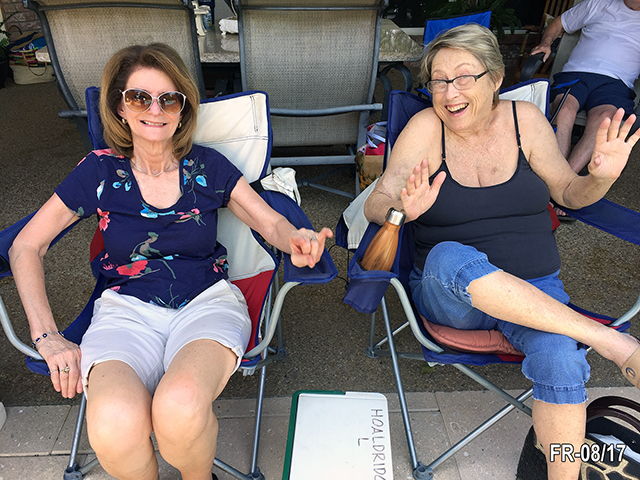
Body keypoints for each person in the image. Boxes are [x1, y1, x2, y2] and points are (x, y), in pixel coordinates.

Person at [9, 43, 332, 480]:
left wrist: (296, 238)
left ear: (183, 109)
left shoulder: (207, 166)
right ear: (119, 107)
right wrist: (47, 336)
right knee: (113, 423)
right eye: (139, 97)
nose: (155, 109)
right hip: (124, 311)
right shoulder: (99, 171)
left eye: (169, 99)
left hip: (207, 304)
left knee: (178, 407)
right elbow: (26, 246)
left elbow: (269, 222)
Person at [364, 24, 640, 480]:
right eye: (438, 80)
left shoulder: (525, 121)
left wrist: (600, 178)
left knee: (561, 360)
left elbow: (569, 193)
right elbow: (377, 202)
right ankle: (610, 341)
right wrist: (402, 210)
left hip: (536, 291)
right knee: (450, 255)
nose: (449, 92)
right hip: (452, 297)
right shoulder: (426, 127)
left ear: (494, 79)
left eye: (464, 77)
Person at [530, 0, 640, 179]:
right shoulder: (597, 3)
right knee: (564, 109)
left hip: (616, 83)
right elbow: (559, 23)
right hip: (576, 73)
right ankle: (558, 180)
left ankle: (564, 180)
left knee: (604, 120)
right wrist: (546, 43)